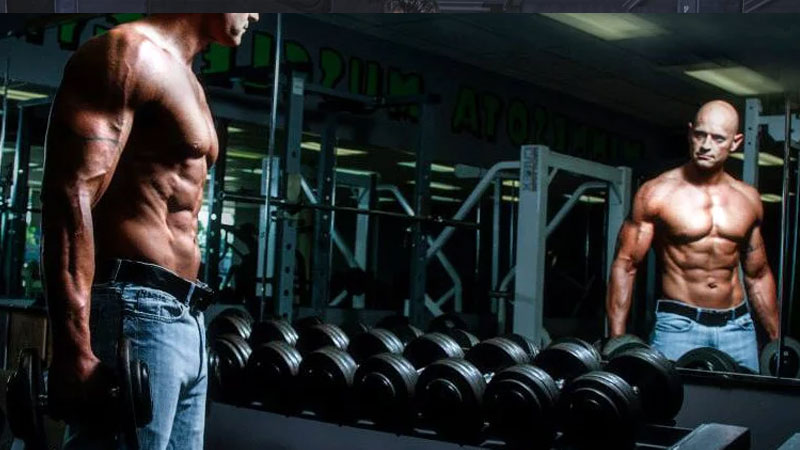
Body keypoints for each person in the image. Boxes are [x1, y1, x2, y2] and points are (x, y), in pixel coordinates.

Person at [41, 13, 259, 449]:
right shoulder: (126, 53)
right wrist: (72, 346)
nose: (253, 14)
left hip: (188, 318)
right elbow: (70, 196)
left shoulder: (190, 80)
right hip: (136, 311)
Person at [605, 100, 780, 373]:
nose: (706, 145)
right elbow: (625, 265)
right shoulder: (656, 193)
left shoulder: (748, 199)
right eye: (700, 134)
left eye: (718, 138)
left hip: (738, 327)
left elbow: (758, 274)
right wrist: (616, 338)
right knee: (669, 408)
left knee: (747, 409)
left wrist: (775, 339)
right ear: (690, 133)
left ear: (735, 142)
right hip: (678, 327)